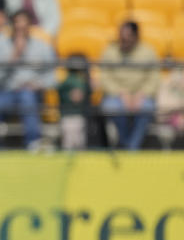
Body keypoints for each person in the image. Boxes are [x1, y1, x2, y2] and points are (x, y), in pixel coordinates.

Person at [0, 10, 56, 149]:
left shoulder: (42, 46)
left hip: (32, 94)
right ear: (12, 26)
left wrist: (39, 85)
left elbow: (52, 78)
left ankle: (33, 144)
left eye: (24, 24)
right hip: (4, 93)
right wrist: (12, 58)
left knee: (26, 96)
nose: (20, 28)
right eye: (17, 24)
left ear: (30, 26)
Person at [99, 21, 160, 150]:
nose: (124, 41)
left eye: (128, 37)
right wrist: (121, 93)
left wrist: (142, 94)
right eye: (122, 37)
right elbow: (104, 78)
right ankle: (126, 142)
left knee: (147, 108)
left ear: (136, 37)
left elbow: (154, 78)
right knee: (110, 107)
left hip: (142, 96)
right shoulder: (110, 51)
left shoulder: (148, 52)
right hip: (117, 96)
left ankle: (132, 147)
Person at [58, 54, 92, 150]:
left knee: (77, 142)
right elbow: (75, 96)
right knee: (71, 143)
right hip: (70, 115)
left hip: (77, 115)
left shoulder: (81, 81)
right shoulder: (70, 81)